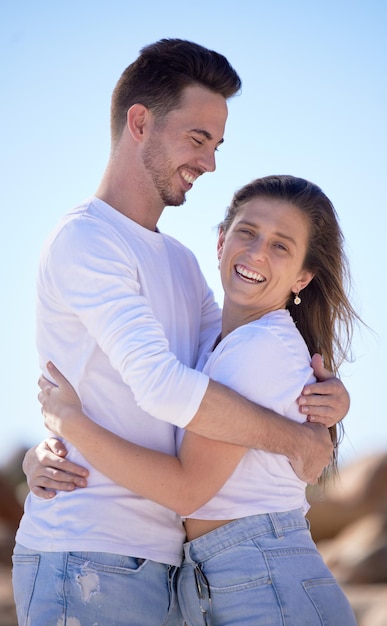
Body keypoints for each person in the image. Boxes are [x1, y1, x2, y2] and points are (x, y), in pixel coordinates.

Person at [13, 37, 348, 626]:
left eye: (217, 145)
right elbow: (164, 388)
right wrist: (295, 441)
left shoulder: (181, 262)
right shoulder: (86, 239)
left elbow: (231, 368)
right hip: (89, 550)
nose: (210, 162)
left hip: (166, 562)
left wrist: (328, 401)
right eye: (198, 139)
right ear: (139, 123)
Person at [38, 175, 358, 625]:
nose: (256, 253)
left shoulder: (257, 349)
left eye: (281, 246)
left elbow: (187, 489)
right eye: (247, 232)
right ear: (222, 240)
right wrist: (46, 450)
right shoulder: (221, 341)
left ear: (303, 276)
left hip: (263, 576)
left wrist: (73, 426)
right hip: (236, 575)